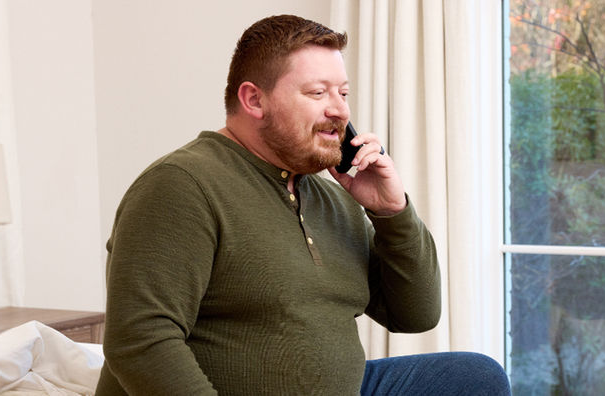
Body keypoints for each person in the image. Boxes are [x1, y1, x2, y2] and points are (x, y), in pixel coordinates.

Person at [95, 14, 510, 395]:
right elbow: (140, 341)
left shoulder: (331, 197)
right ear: (254, 100)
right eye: (317, 93)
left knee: (474, 377)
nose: (340, 110)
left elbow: (416, 315)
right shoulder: (182, 185)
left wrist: (390, 212)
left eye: (343, 93)